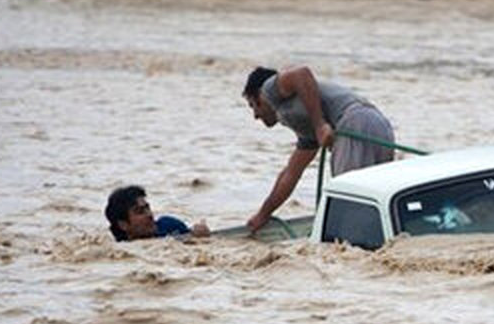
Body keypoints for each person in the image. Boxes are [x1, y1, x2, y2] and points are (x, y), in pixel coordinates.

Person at [242, 65, 395, 233]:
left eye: (252, 106)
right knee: (371, 199)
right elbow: (290, 174)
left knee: (348, 199)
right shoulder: (304, 127)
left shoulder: (269, 89)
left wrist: (320, 125)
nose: (255, 116)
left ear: (259, 96)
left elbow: (302, 73)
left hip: (354, 122)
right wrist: (263, 214)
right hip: (378, 126)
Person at [104, 185, 209, 242]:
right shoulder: (120, 253)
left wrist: (200, 238)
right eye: (140, 212)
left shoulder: (170, 226)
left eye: (147, 208)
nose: (149, 215)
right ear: (123, 225)